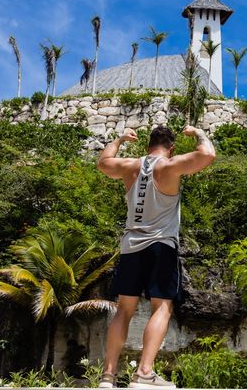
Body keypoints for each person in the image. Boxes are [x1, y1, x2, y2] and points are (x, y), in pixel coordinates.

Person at [96, 125, 215, 388]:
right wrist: (197, 133)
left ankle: (108, 376)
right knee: (162, 306)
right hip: (161, 245)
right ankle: (144, 373)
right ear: (171, 147)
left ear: (147, 145)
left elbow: (103, 163)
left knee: (123, 311)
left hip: (131, 245)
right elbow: (207, 155)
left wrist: (119, 139)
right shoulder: (169, 166)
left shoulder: (130, 166)